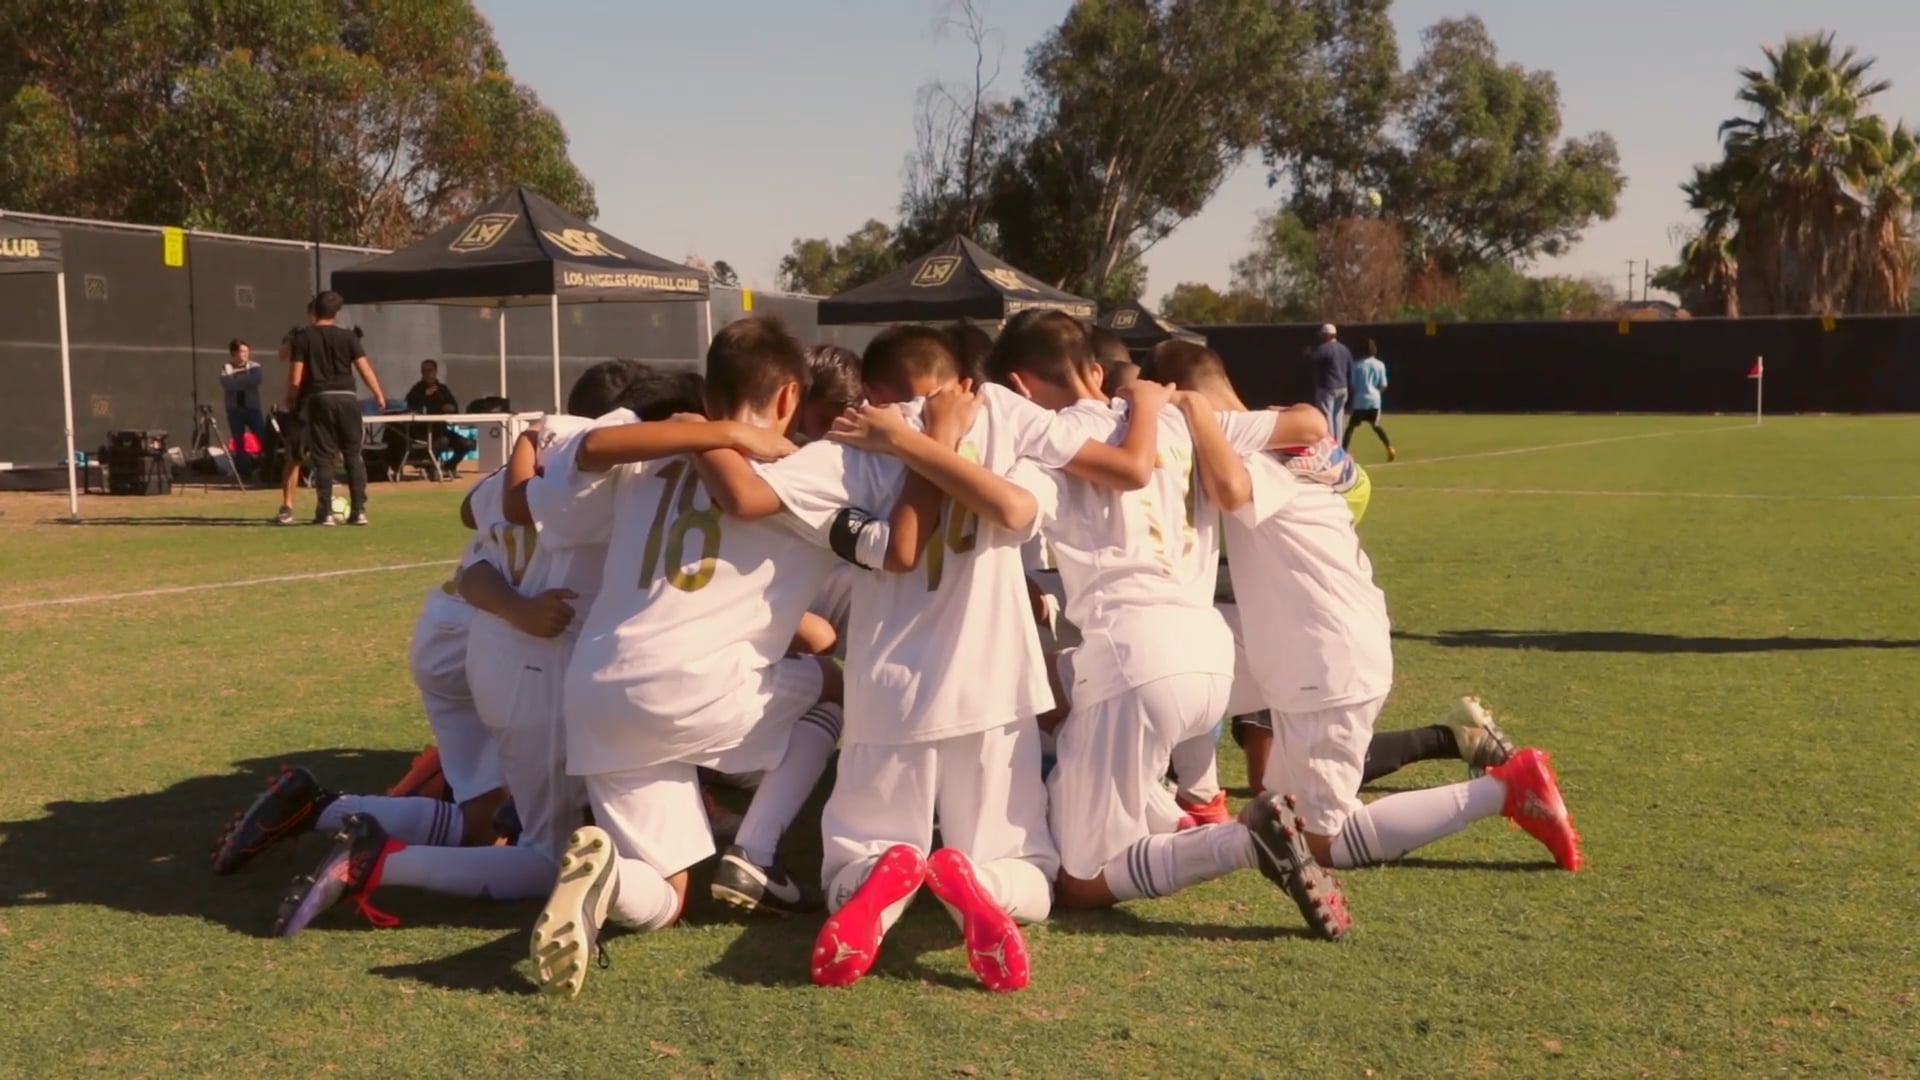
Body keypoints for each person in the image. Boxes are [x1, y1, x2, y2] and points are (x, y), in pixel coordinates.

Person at [710, 327, 1063, 993]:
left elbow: (747, 495)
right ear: (962, 381)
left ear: (869, 393)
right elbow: (1017, 511)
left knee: (854, 857)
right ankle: (979, 880)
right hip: (995, 686)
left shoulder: (849, 446)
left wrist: (701, 431)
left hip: (889, 691)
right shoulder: (1005, 423)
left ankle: (882, 875)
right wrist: (935, 439)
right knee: (1026, 867)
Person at [983, 311, 1353, 938]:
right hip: (1210, 656)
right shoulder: (1182, 419)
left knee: (1078, 880)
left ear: (1020, 387)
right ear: (1097, 369)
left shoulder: (1047, 441)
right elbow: (1311, 423)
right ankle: (1192, 823)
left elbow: (1016, 516)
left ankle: (1244, 841)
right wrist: (1184, 405)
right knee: (1099, 766)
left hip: (1134, 659)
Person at [531, 319, 848, 999]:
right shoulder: (807, 470)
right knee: (831, 687)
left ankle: (610, 879)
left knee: (668, 894)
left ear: (710, 386)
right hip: (698, 688)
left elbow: (581, 455)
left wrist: (711, 431)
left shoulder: (649, 455)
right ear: (790, 395)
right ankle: (755, 856)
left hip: (600, 689)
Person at [1188, 370, 1585, 901]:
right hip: (1332, 639)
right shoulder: (1288, 434)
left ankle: (1505, 791)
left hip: (1322, 656)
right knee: (1277, 806)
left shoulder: (1250, 458)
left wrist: (1187, 413)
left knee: (1322, 842)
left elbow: (1232, 488)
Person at [286, 291, 385, 526]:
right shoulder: (349, 337)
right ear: (337, 313)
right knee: (353, 454)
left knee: (323, 456)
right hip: (348, 397)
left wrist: (291, 397)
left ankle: (325, 511)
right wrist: (378, 393)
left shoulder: (303, 338)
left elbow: (296, 375)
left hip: (320, 397)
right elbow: (364, 368)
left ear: (314, 311)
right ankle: (359, 510)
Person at [273, 313, 314, 524]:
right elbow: (282, 355)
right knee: (294, 455)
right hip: (301, 404)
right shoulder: (300, 337)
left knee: (331, 454)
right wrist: (289, 338)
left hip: (325, 401)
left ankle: (327, 504)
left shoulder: (335, 336)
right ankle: (287, 505)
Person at [404, 359, 477, 476]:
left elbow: (454, 406)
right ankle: (432, 468)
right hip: (423, 431)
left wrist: (450, 408)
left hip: (442, 429)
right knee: (442, 442)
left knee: (467, 444)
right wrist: (425, 395)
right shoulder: (417, 389)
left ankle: (449, 466)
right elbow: (410, 404)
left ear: (435, 371)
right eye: (424, 371)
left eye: (430, 370)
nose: (427, 373)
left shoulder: (442, 389)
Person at [220, 340, 266, 478]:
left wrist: (237, 380)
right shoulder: (226, 367)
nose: (246, 354)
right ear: (234, 352)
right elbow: (228, 384)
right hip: (235, 410)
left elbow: (257, 379)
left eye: (247, 351)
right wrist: (245, 381)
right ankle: (244, 471)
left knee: (262, 436)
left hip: (252, 408)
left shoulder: (255, 366)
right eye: (242, 351)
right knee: (238, 441)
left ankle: (267, 467)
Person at [1346, 340, 1395, 461]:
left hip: (1359, 401)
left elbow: (1352, 385)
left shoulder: (1356, 365)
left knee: (1351, 427)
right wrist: (1376, 393)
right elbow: (1383, 385)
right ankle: (1389, 448)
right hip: (1374, 401)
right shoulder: (1380, 365)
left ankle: (1343, 451)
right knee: (1376, 425)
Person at [1309, 323, 1353, 445]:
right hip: (1343, 388)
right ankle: (1338, 445)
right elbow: (1350, 368)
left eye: (1323, 335)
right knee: (1338, 418)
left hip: (1327, 388)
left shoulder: (1323, 349)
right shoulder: (1345, 349)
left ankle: (1331, 445)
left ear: (1326, 335)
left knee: (1327, 417)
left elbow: (1313, 361)